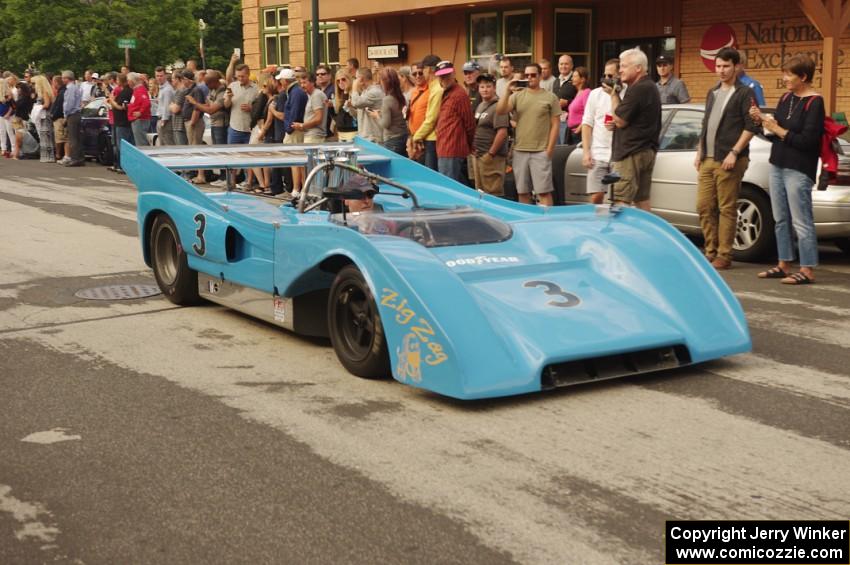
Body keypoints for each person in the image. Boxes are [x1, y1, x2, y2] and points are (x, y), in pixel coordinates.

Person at [751, 55, 824, 285]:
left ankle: (807, 268)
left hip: (799, 168)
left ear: (803, 77)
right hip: (778, 163)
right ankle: (784, 264)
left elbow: (808, 141)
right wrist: (762, 123)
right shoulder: (785, 98)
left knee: (801, 220)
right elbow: (774, 134)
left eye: (789, 74)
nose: (785, 79)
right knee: (780, 218)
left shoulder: (815, 102)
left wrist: (778, 129)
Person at [694, 47, 758, 270]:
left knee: (726, 208)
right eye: (718, 66)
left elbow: (752, 126)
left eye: (726, 66)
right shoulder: (712, 92)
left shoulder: (744, 93)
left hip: (729, 159)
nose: (721, 70)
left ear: (736, 66)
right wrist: (699, 150)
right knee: (703, 206)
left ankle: (724, 254)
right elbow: (706, 124)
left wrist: (734, 152)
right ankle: (710, 251)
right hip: (708, 159)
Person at [496, 63, 560, 206]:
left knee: (543, 192)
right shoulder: (517, 96)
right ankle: (528, 224)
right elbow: (500, 111)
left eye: (533, 75)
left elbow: (556, 125)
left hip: (541, 151)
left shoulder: (550, 97)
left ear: (539, 76)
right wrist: (507, 90)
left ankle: (546, 223)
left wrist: (549, 150)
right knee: (522, 192)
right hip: (520, 151)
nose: (530, 78)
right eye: (527, 75)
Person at [606, 48, 662, 211]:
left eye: (623, 66)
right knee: (642, 200)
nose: (620, 70)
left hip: (630, 153)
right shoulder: (649, 86)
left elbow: (620, 120)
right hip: (645, 149)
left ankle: (621, 236)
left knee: (620, 202)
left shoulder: (639, 88)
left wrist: (613, 94)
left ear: (638, 68)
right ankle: (647, 235)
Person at [580, 59, 621, 205]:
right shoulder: (595, 94)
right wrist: (586, 152)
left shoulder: (627, 93)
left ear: (620, 75)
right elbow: (586, 123)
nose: (606, 80)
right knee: (596, 196)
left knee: (620, 199)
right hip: (598, 152)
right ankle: (596, 225)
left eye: (611, 76)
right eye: (605, 76)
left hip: (620, 154)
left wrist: (618, 125)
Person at [433, 61, 475, 183]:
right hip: (445, 148)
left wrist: (470, 145)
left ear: (454, 74)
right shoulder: (448, 93)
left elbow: (470, 124)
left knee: (448, 188)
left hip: (452, 149)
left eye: (447, 75)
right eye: (441, 76)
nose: (444, 79)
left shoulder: (459, 94)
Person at [471, 73, 509, 196]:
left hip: (492, 157)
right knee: (480, 192)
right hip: (478, 155)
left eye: (488, 86)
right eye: (482, 87)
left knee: (493, 192)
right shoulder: (480, 105)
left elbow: (502, 132)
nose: (485, 89)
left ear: (494, 88)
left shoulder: (499, 105)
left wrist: (491, 154)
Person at [410, 54, 443, 170]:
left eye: (422, 70)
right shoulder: (434, 87)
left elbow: (431, 119)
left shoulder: (437, 89)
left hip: (433, 139)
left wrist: (415, 137)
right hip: (428, 137)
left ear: (428, 69)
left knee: (433, 176)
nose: (421, 74)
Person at [370, 68, 407, 156]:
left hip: (392, 140)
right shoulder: (401, 97)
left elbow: (385, 124)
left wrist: (377, 116)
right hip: (403, 136)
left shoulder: (387, 100)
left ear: (385, 83)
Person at [188, 70, 227, 145]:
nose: (206, 86)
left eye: (207, 84)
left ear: (213, 82)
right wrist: (199, 105)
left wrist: (194, 102)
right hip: (214, 123)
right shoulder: (213, 90)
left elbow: (211, 110)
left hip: (220, 126)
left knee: (221, 150)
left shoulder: (222, 93)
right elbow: (209, 105)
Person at [224, 63, 259, 145]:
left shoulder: (256, 88)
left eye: (242, 76)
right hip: (235, 129)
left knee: (251, 156)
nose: (240, 78)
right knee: (233, 155)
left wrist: (251, 108)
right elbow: (226, 105)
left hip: (251, 130)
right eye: (238, 76)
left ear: (248, 74)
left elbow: (261, 108)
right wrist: (229, 98)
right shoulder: (232, 86)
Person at [348, 67, 384, 143]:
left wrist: (354, 87)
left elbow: (356, 103)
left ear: (361, 79)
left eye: (356, 78)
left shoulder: (374, 92)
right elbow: (359, 115)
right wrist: (350, 107)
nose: (355, 81)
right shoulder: (366, 92)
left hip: (373, 137)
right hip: (365, 136)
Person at [293, 71, 327, 145]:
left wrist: (302, 125)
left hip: (314, 137)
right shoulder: (311, 95)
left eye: (304, 83)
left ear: (312, 83)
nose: (302, 86)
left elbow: (318, 119)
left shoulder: (316, 95)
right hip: (311, 135)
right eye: (300, 83)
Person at [108, 73, 133, 171]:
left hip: (122, 122)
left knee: (121, 144)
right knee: (118, 143)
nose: (116, 81)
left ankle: (123, 165)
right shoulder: (124, 91)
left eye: (118, 80)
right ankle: (118, 164)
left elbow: (121, 107)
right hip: (119, 121)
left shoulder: (126, 92)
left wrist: (112, 101)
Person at [405, 63, 429, 162]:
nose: (418, 76)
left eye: (420, 73)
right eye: (415, 74)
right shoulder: (413, 92)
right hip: (413, 137)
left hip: (425, 139)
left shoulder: (430, 91)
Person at [61, 70, 84, 166]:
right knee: (77, 137)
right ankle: (80, 157)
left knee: (73, 138)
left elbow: (69, 103)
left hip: (72, 114)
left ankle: (75, 158)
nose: (62, 79)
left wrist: (65, 114)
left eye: (63, 78)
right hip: (77, 113)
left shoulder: (70, 89)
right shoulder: (75, 87)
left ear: (67, 78)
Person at [554, 54, 578, 144]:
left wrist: (568, 102)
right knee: (556, 149)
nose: (563, 66)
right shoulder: (556, 81)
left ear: (572, 65)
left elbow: (583, 100)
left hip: (569, 122)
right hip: (556, 120)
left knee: (565, 148)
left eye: (566, 64)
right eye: (561, 64)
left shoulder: (576, 80)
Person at [31, 74, 55, 162]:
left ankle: (49, 156)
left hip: (45, 115)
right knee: (43, 135)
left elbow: (47, 104)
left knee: (46, 135)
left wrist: (38, 107)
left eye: (34, 83)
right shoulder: (40, 92)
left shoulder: (45, 92)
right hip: (42, 115)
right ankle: (46, 156)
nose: (33, 85)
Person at [566, 67, 590, 144]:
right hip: (571, 131)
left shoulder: (586, 92)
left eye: (575, 76)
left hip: (579, 132)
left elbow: (588, 113)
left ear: (582, 79)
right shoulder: (577, 93)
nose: (572, 78)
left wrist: (579, 129)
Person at [332, 69, 358, 142]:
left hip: (353, 131)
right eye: (338, 81)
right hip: (341, 132)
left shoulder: (354, 93)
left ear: (349, 79)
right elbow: (338, 114)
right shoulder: (339, 95)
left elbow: (358, 115)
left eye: (343, 79)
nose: (341, 82)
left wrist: (350, 107)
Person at [127, 72, 151, 146]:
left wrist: (140, 112)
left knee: (141, 143)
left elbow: (146, 102)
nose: (128, 83)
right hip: (137, 120)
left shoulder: (140, 90)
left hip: (140, 120)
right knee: (140, 141)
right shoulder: (137, 90)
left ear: (132, 81)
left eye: (128, 81)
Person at [154, 67, 174, 145]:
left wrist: (163, 121)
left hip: (165, 121)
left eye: (161, 76)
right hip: (161, 118)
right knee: (162, 143)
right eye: (157, 76)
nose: (159, 78)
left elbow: (167, 106)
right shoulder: (162, 88)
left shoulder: (167, 89)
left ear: (165, 76)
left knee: (167, 144)